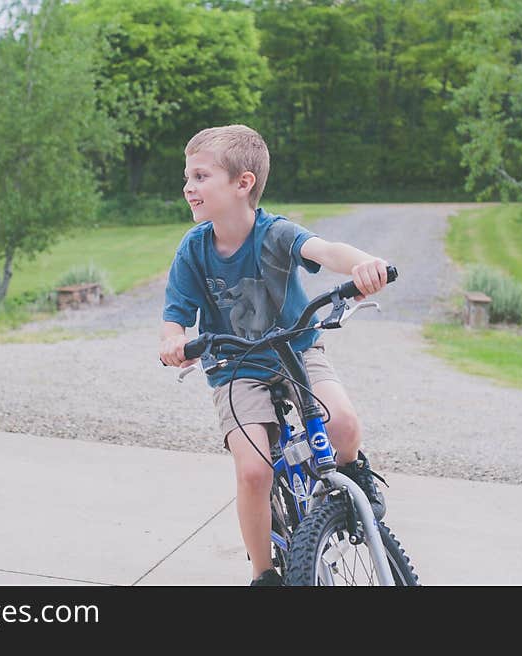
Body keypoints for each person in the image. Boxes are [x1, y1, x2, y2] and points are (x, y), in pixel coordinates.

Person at [159, 125, 389, 587]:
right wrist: (173, 342)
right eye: (188, 177)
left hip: (296, 349)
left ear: (242, 184)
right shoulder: (194, 250)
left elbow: (325, 251)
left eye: (201, 176)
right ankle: (263, 572)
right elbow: (176, 313)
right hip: (235, 367)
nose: (188, 186)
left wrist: (364, 263)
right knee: (252, 470)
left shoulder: (276, 233)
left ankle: (351, 474)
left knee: (342, 423)